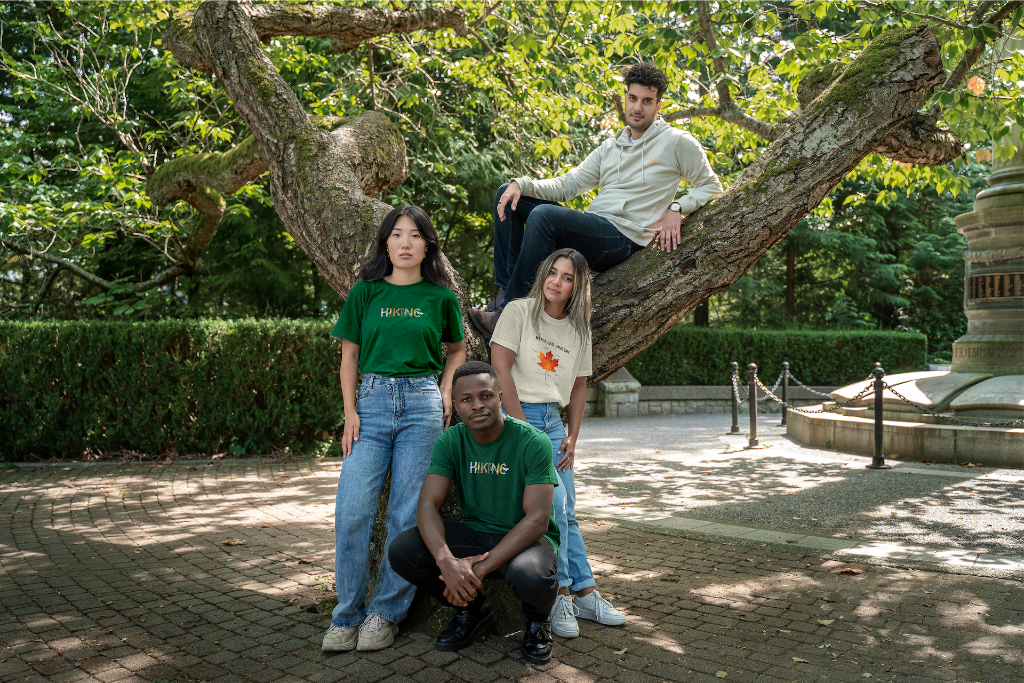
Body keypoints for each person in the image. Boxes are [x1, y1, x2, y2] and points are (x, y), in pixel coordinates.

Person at [470, 62, 722, 338]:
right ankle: (505, 294)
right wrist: (522, 184)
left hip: (624, 238)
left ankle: (510, 318)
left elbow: (711, 186)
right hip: (595, 228)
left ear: (658, 105)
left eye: (647, 101)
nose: (638, 107)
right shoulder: (611, 146)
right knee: (506, 195)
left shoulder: (677, 142)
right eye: (633, 98)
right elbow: (570, 184)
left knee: (543, 216)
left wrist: (677, 207)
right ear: (625, 98)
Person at [322, 206, 467, 654]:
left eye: (415, 235)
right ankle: (345, 615)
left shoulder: (441, 297)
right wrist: (349, 412)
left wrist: (445, 390)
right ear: (385, 243)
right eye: (397, 234)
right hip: (372, 406)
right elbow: (349, 356)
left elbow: (458, 351)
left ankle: (385, 612)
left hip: (423, 406)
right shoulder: (364, 293)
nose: (405, 242)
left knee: (406, 515)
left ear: (428, 245)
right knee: (352, 512)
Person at [489, 248, 626, 638]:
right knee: (558, 507)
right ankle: (563, 591)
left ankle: (583, 591)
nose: (557, 282)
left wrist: (573, 435)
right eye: (553, 272)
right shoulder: (519, 311)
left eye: (567, 278)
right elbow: (499, 368)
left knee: (569, 510)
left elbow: (580, 386)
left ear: (577, 288)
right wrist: (519, 427)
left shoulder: (579, 330)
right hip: (519, 416)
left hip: (552, 420)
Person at [388, 361, 560, 665]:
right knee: (404, 550)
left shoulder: (533, 441)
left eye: (486, 396)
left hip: (523, 538)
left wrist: (476, 570)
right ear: (455, 406)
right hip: (475, 533)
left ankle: (536, 623)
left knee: (530, 574)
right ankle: (471, 608)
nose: (477, 405)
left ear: (500, 396)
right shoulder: (451, 441)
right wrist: (447, 562)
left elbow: (537, 520)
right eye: (467, 400)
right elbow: (427, 505)